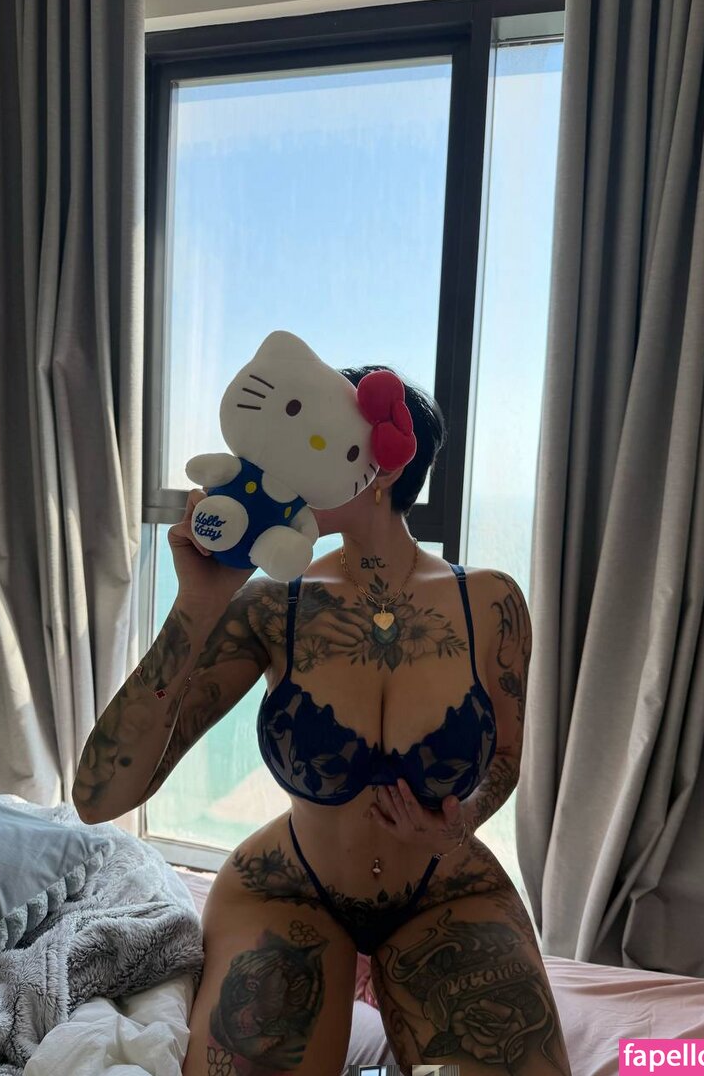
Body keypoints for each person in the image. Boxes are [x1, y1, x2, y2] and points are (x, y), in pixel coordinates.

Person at [72, 366, 571, 1076]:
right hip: (290, 888)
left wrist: (461, 821)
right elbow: (100, 799)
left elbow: (506, 758)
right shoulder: (271, 605)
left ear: (378, 466)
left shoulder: (490, 603)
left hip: (444, 889)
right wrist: (197, 606)